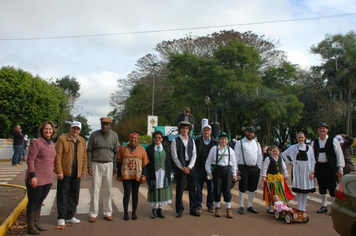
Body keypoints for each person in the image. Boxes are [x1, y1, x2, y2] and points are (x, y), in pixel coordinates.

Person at [25, 121, 56, 235]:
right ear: (42, 130)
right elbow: (30, 160)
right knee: (33, 201)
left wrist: (51, 178)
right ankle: (30, 226)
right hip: (36, 178)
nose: (48, 131)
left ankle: (36, 223)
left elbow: (51, 162)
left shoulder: (52, 144)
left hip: (47, 179)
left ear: (53, 131)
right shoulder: (36, 142)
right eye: (46, 129)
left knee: (40, 201)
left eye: (50, 129)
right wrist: (33, 176)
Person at [55, 121, 87, 226]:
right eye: (74, 128)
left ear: (80, 130)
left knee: (74, 195)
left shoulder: (82, 141)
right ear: (70, 128)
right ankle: (62, 217)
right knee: (63, 195)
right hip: (65, 172)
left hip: (76, 172)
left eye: (78, 129)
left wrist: (83, 170)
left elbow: (84, 157)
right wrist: (59, 171)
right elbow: (58, 156)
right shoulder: (62, 139)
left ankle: (70, 215)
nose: (76, 131)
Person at [87, 117, 119, 222]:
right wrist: (89, 165)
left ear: (110, 125)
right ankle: (93, 213)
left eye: (107, 124)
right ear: (100, 124)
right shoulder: (94, 135)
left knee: (108, 190)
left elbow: (116, 153)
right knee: (95, 190)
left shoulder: (114, 136)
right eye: (103, 124)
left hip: (109, 164)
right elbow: (89, 151)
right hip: (96, 163)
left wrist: (115, 166)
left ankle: (107, 212)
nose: (105, 126)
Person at [312, 122, 344, 214]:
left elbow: (339, 155)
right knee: (322, 187)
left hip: (330, 167)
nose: (322, 130)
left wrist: (340, 168)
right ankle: (324, 205)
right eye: (320, 129)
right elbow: (312, 157)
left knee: (332, 187)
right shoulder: (314, 142)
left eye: (324, 129)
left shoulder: (333, 141)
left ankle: (334, 207)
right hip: (319, 167)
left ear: (327, 130)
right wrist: (312, 170)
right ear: (318, 131)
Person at [117, 132, 149, 221]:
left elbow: (145, 163)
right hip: (126, 174)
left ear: (137, 139)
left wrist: (144, 175)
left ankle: (134, 212)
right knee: (126, 193)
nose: (133, 140)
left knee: (135, 194)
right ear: (129, 139)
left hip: (137, 175)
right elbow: (119, 161)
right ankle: (125, 213)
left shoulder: (141, 149)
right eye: (131, 138)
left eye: (135, 138)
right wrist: (119, 174)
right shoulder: (123, 149)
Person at [171, 121, 199, 218]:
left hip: (190, 166)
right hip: (181, 167)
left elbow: (194, 155)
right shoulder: (176, 141)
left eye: (186, 128)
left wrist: (189, 167)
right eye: (183, 128)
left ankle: (193, 209)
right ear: (180, 129)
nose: (185, 130)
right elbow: (174, 156)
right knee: (180, 189)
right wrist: (182, 167)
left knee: (192, 188)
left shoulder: (192, 141)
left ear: (189, 130)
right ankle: (179, 210)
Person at [205, 132, 237, 218]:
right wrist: (209, 171)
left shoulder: (230, 150)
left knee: (227, 190)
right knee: (217, 189)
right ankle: (218, 208)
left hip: (227, 170)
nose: (224, 141)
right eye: (222, 139)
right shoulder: (214, 149)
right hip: (217, 170)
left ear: (228, 141)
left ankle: (228, 209)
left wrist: (234, 174)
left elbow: (234, 163)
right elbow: (208, 162)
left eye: (225, 139)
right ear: (219, 140)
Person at [281, 132, 316, 212]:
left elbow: (312, 160)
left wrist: (312, 172)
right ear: (297, 138)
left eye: (302, 137)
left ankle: (303, 206)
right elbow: (284, 154)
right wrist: (289, 162)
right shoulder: (294, 147)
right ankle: (300, 206)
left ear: (304, 138)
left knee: (306, 189)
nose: (300, 139)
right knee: (298, 188)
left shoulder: (309, 148)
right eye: (299, 137)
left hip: (307, 170)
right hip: (297, 170)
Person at [234, 126, 262, 214]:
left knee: (252, 187)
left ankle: (250, 205)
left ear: (254, 134)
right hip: (243, 167)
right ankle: (241, 205)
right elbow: (235, 156)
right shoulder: (240, 143)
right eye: (248, 132)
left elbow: (260, 156)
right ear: (245, 132)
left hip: (254, 168)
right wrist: (235, 168)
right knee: (242, 187)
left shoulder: (257, 144)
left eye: (251, 132)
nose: (250, 134)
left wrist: (259, 167)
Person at [145, 131, 173, 219]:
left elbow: (169, 160)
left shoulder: (165, 148)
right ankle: (153, 209)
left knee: (162, 189)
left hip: (163, 172)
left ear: (162, 139)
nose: (158, 139)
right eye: (156, 137)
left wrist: (171, 172)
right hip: (154, 172)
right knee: (154, 189)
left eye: (160, 137)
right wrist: (145, 174)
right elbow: (146, 162)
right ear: (154, 138)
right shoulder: (149, 148)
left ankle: (160, 209)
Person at [194, 120, 218, 213]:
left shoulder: (215, 142)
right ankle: (198, 205)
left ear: (211, 132)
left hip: (211, 169)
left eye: (208, 130)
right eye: (205, 130)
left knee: (211, 188)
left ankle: (210, 205)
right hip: (199, 168)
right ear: (202, 131)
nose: (206, 132)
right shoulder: (197, 141)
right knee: (198, 188)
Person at [261, 146, 294, 214]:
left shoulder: (280, 159)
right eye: (273, 151)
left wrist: (286, 174)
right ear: (270, 152)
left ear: (279, 152)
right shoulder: (268, 159)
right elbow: (265, 168)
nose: (275, 153)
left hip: (279, 177)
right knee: (271, 192)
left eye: (276, 151)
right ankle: (270, 206)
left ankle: (281, 205)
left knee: (280, 191)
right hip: (271, 177)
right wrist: (264, 176)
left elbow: (283, 168)